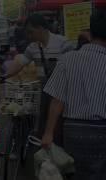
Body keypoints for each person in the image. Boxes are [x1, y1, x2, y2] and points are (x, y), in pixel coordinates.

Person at [41, 11, 106, 180]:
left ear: (90, 33)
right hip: (102, 132)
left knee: (73, 173)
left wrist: (48, 133)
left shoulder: (68, 59)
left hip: (73, 132)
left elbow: (57, 100)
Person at [3, 14, 75, 144]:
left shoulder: (64, 43)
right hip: (44, 89)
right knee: (44, 120)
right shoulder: (32, 47)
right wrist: (5, 76)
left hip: (64, 91)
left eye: (31, 32)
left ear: (41, 28)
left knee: (60, 123)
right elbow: (20, 63)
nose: (29, 36)